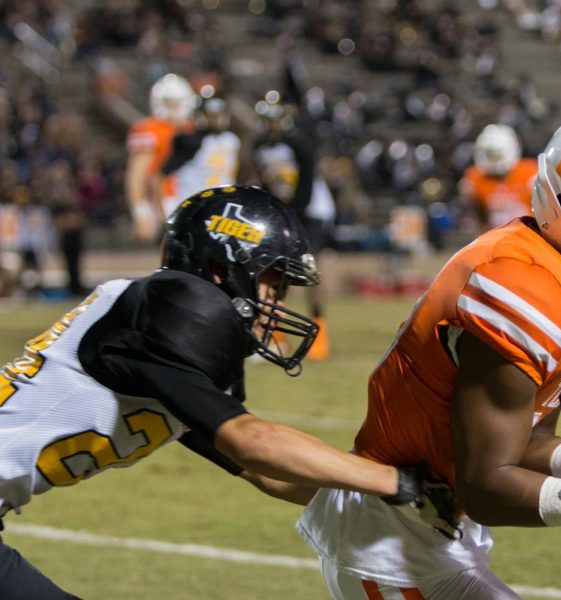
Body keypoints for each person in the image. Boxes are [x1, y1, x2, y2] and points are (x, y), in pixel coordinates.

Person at [297, 108, 561, 598]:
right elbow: (486, 487)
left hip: (427, 528)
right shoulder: (525, 287)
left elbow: (522, 442)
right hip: (393, 543)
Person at [0, 186, 439, 599]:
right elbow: (252, 443)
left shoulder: (164, 331)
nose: (279, 307)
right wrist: (394, 481)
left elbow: (269, 473)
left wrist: (379, 497)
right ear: (222, 269)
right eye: (273, 285)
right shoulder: (166, 316)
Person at [253, 97, 333, 360]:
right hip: (284, 212)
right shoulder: (260, 146)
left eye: (275, 119)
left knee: (311, 270)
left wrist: (292, 211)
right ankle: (274, 333)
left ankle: (320, 329)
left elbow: (306, 182)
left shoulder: (298, 144)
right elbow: (265, 181)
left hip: (309, 212)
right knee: (273, 271)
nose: (272, 125)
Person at [124, 73, 197, 243]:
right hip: (163, 200)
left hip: (192, 195)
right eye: (168, 103)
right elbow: (136, 175)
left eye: (176, 103)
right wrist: (140, 212)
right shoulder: (149, 129)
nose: (173, 108)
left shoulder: (193, 128)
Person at [161, 92, 241, 209]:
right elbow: (161, 176)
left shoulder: (231, 140)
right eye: (210, 116)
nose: (214, 120)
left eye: (217, 115)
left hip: (222, 205)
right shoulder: (190, 141)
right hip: (192, 206)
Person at [459, 123, 538, 232]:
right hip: (494, 236)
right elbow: (477, 216)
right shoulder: (475, 177)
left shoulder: (529, 172)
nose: (492, 159)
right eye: (489, 155)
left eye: (496, 154)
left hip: (529, 234)